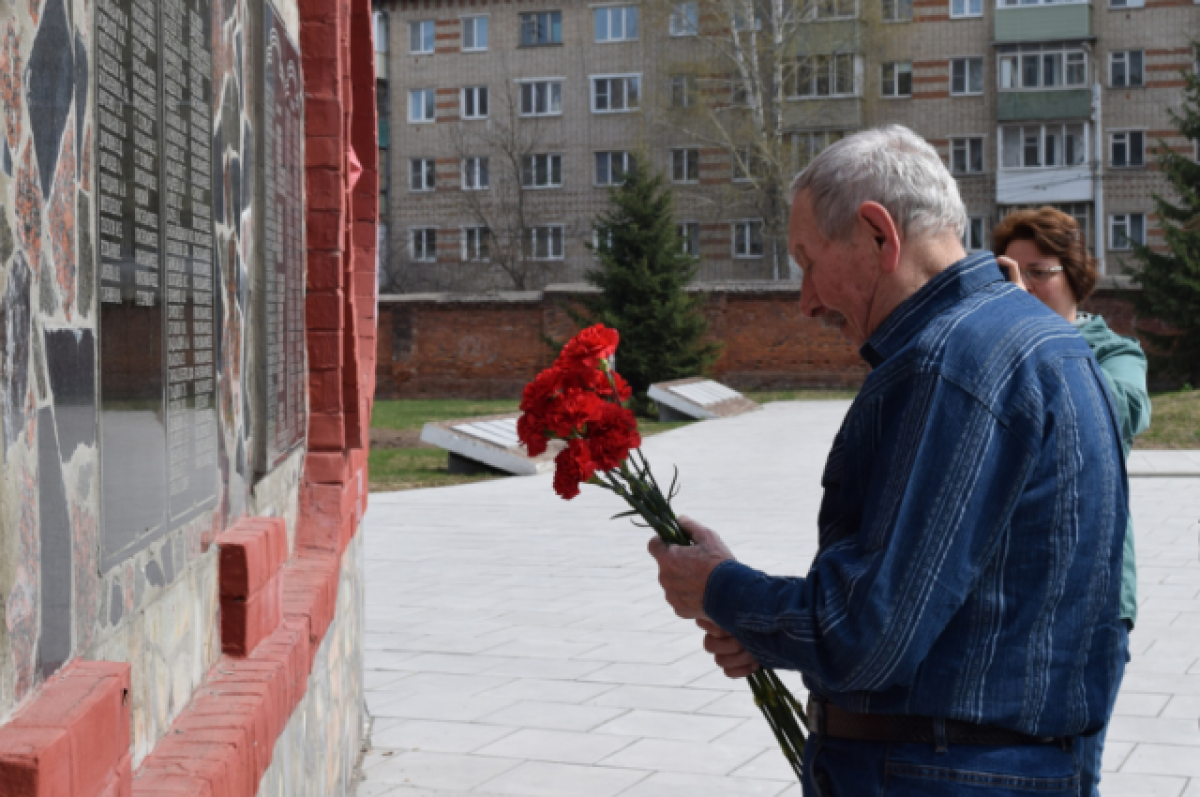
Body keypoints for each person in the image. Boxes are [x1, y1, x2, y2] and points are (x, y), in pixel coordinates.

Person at [648, 126, 1129, 796]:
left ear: (878, 235)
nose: (806, 299)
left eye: (808, 262)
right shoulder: (1045, 342)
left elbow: (869, 636)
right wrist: (762, 626)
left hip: (936, 775)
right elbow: (960, 605)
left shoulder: (949, 362)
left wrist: (722, 588)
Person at [994, 207, 1151, 796]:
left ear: (1075, 275)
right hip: (1006, 598)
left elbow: (1117, 413)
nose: (1027, 286)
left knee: (1070, 776)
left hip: (1089, 602)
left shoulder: (1115, 352)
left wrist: (1029, 332)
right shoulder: (991, 352)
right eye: (1013, 272)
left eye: (1041, 272)